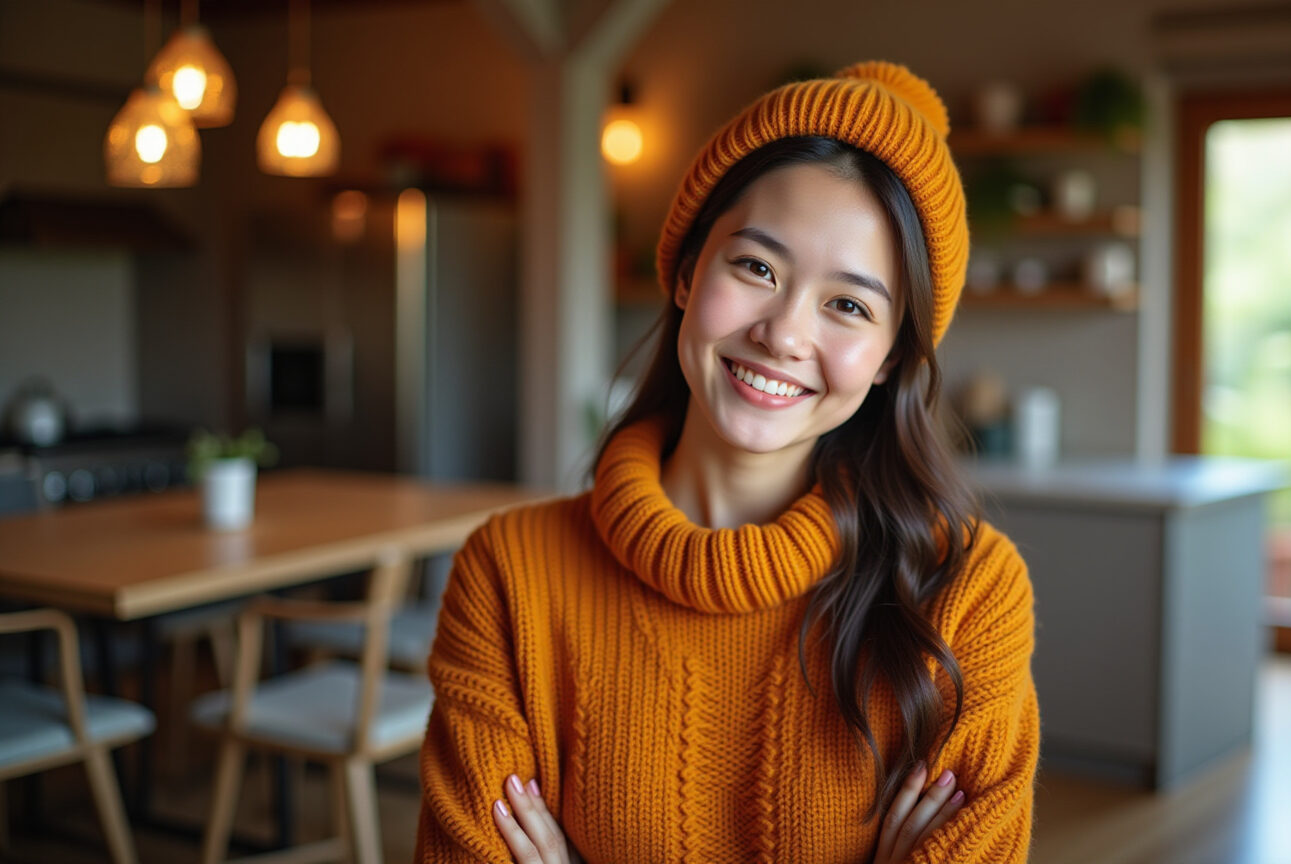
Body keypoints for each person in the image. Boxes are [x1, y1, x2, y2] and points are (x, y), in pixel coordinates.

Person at [414, 61, 1039, 863]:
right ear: (687, 272)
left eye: (848, 305)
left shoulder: (967, 594)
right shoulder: (509, 575)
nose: (784, 334)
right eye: (756, 267)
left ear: (889, 358)